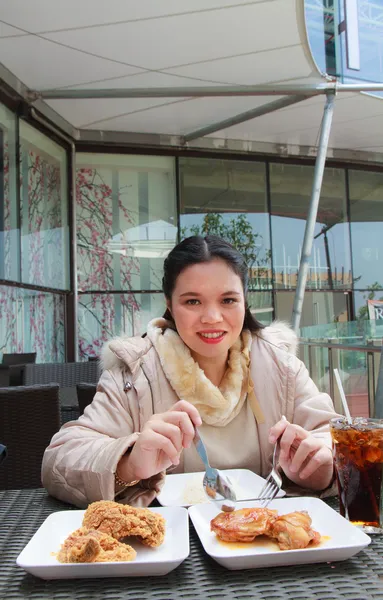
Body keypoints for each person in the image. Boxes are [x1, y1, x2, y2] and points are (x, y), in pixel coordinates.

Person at [42, 235, 337, 508]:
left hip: (265, 545)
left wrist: (320, 470)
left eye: (228, 300)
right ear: (169, 305)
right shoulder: (135, 371)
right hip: (163, 546)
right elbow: (59, 460)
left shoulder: (280, 366)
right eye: (192, 301)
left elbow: (335, 439)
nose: (211, 317)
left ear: (246, 302)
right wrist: (128, 463)